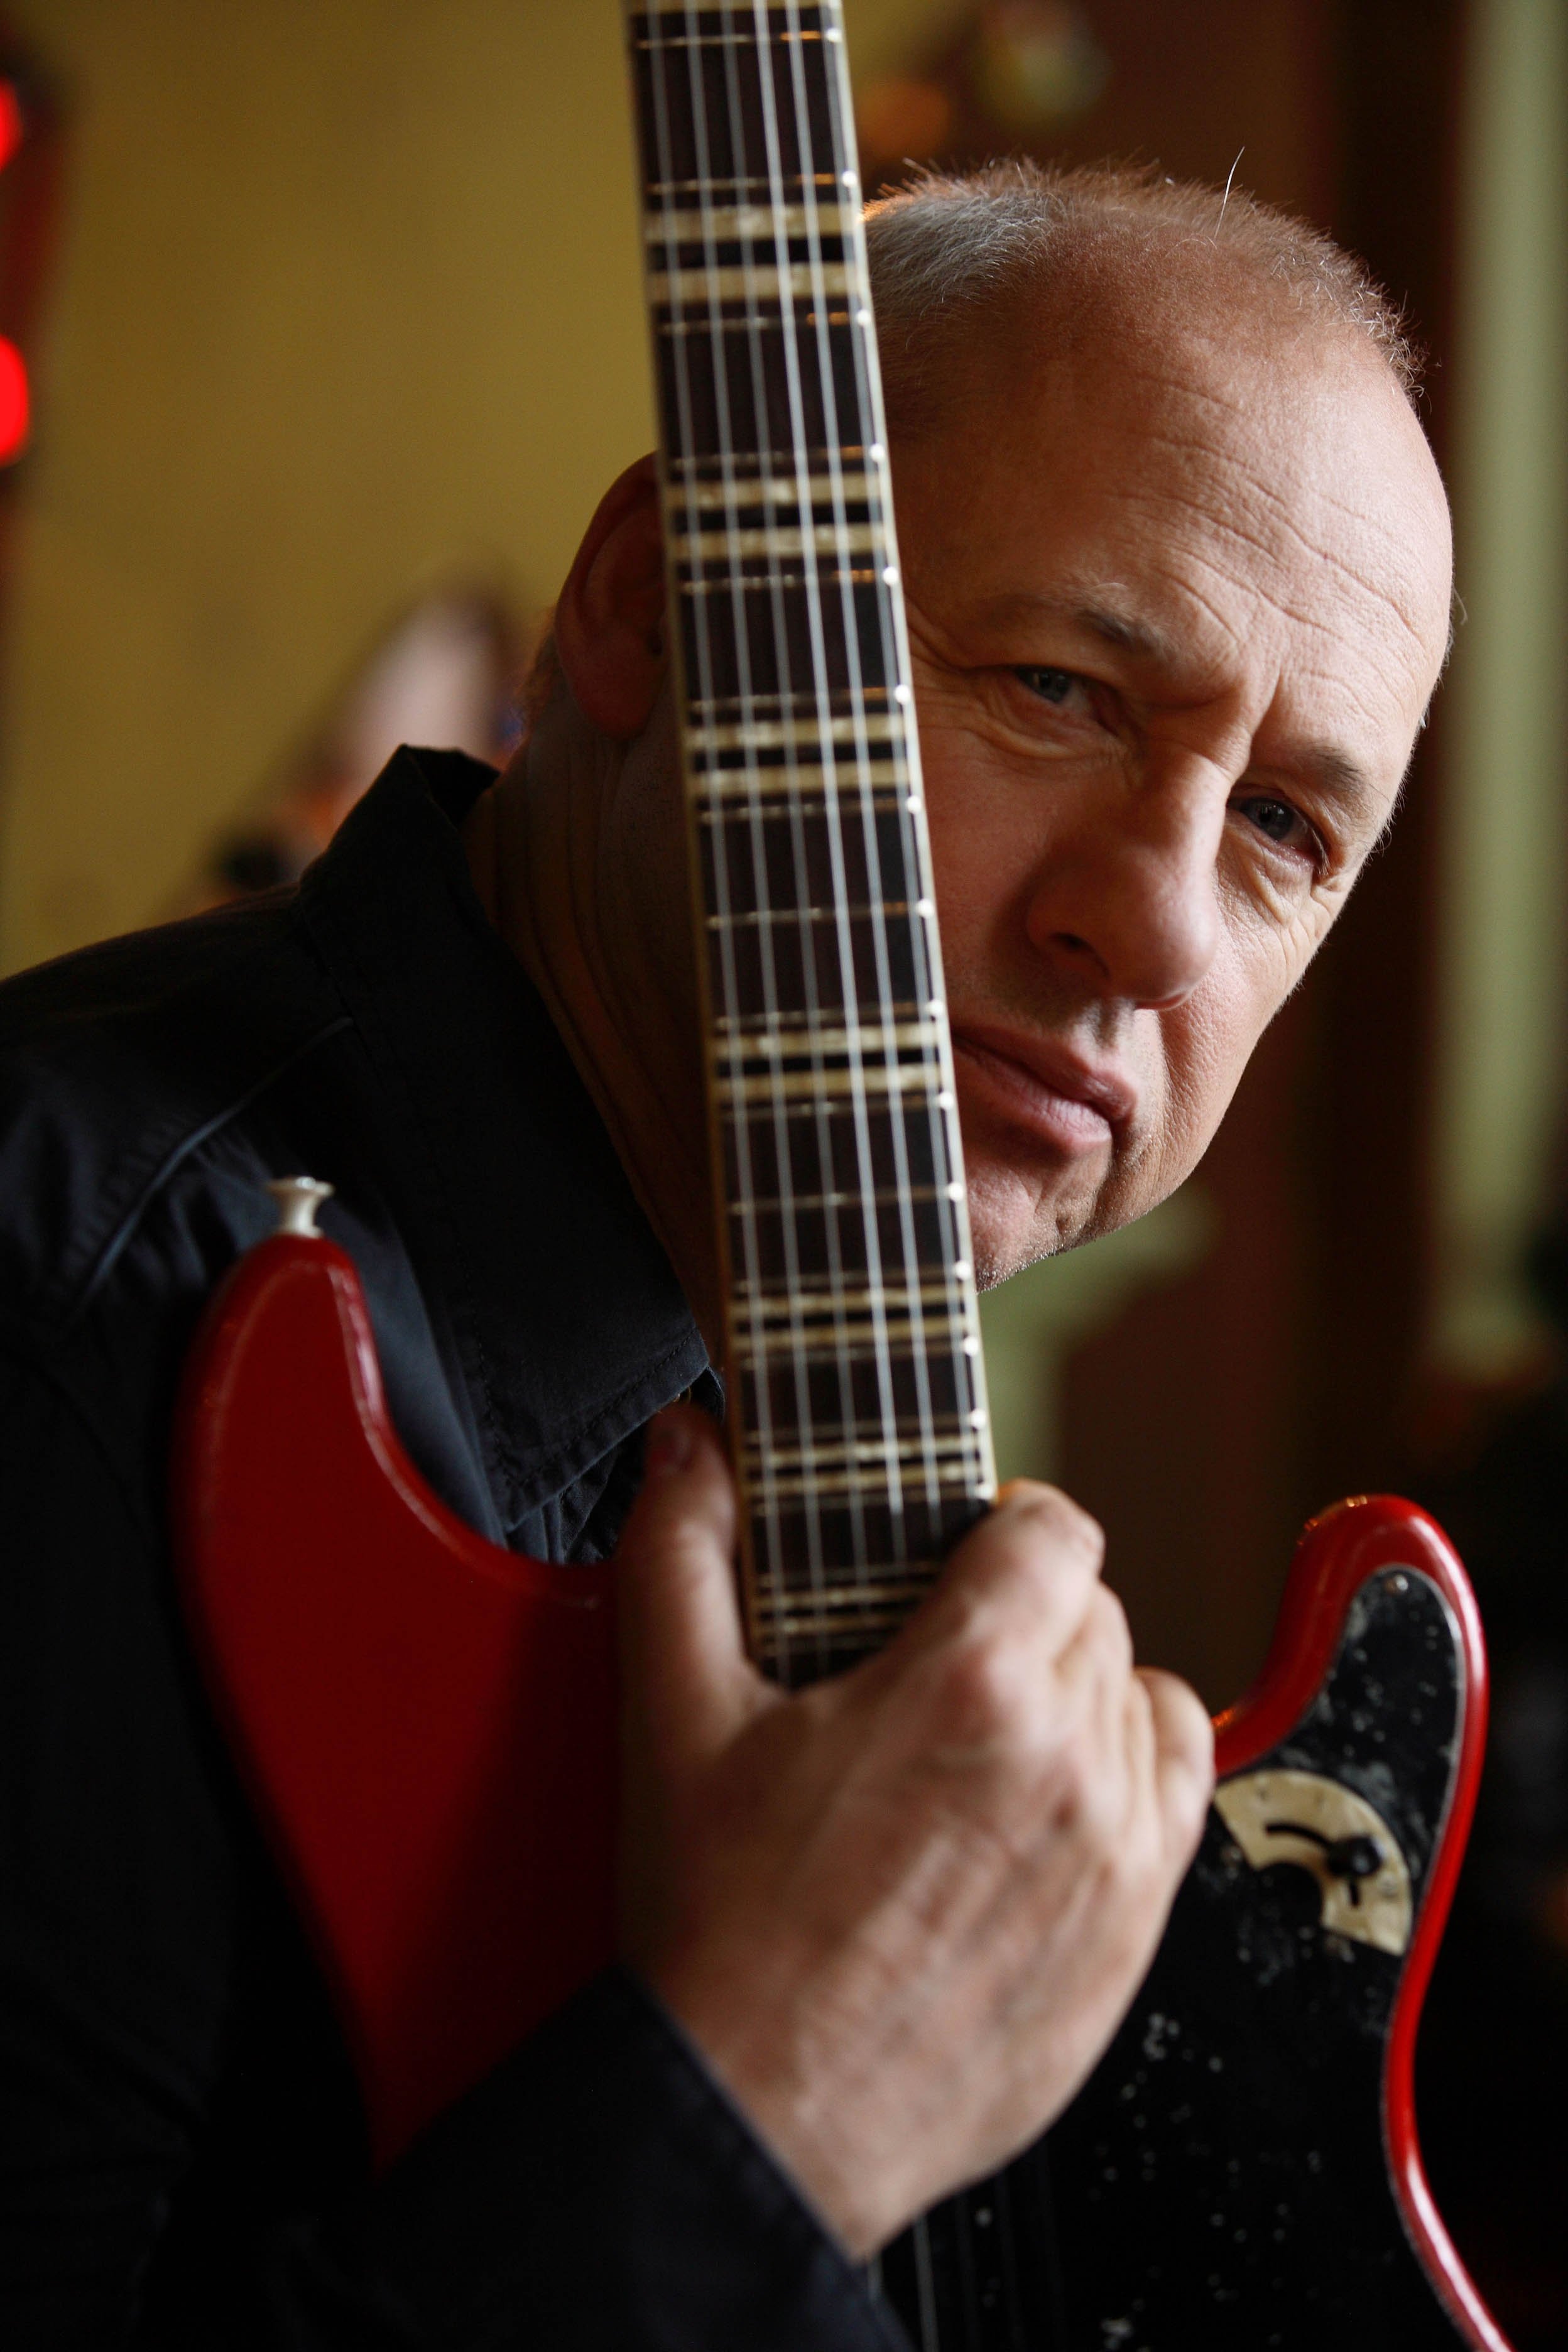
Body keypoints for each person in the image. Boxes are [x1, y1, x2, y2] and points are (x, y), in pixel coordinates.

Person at [0, 165, 1452, 2346]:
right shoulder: (69, 1315)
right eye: (1059, 687)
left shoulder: (787, 1394)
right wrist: (773, 2103)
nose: (1157, 927)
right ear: (651, 604)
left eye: (1281, 828)